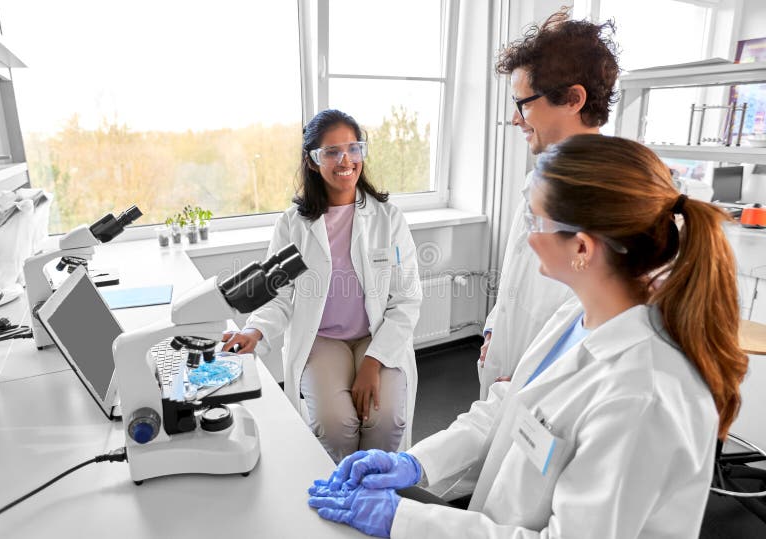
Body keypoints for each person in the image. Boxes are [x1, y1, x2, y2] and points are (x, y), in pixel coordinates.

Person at [307, 135, 749, 538]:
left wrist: (402, 520)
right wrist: (418, 463)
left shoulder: (643, 394)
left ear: (581, 248)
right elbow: (509, 409)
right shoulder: (577, 314)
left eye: (535, 223)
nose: (526, 240)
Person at [223, 109, 422, 463]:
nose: (345, 160)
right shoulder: (293, 225)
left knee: (385, 418)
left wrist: (374, 363)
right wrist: (255, 330)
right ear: (313, 162)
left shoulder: (388, 218)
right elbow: (279, 295)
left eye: (353, 148)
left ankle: (375, 495)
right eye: (331, 152)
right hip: (322, 337)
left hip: (376, 336)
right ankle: (341, 493)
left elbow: (406, 299)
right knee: (335, 424)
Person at [478, 8, 621, 400]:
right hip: (511, 359)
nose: (514, 118)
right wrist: (495, 327)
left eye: (524, 103)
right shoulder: (539, 178)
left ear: (574, 99)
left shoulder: (612, 198)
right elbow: (517, 272)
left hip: (552, 386)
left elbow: (600, 321)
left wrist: (534, 378)